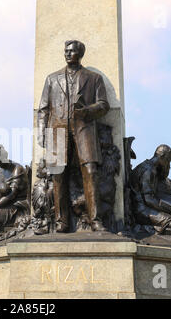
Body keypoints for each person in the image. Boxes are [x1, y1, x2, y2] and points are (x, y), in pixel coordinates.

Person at [37, 40, 110, 232]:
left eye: (72, 51)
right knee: (58, 175)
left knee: (91, 172)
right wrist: (42, 133)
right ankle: (61, 221)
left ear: (80, 54)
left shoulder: (93, 78)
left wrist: (86, 111)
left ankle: (95, 220)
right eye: (66, 51)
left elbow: (104, 105)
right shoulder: (52, 79)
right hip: (57, 130)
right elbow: (43, 109)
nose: (68, 54)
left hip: (84, 129)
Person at [130, 145, 171, 236]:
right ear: (162, 157)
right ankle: (145, 230)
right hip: (142, 211)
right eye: (168, 161)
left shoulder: (153, 169)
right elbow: (148, 200)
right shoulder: (148, 170)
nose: (168, 165)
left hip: (148, 208)